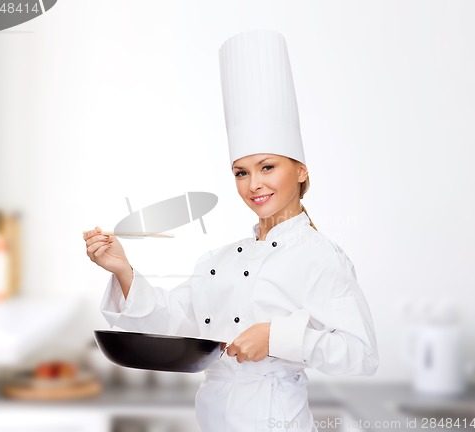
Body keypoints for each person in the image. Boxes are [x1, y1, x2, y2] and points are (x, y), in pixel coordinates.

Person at [83, 29, 378, 432]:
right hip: (214, 419)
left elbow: (361, 354)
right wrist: (123, 271)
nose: (254, 183)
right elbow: (174, 320)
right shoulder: (218, 260)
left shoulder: (320, 256)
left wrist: (277, 337)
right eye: (242, 172)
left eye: (268, 167)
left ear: (301, 170)